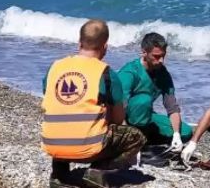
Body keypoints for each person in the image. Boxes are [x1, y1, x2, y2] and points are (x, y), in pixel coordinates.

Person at [41, 19, 146, 188]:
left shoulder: (55, 68)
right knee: (136, 137)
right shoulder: (106, 73)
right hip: (88, 148)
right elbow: (118, 120)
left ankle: (59, 174)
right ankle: (97, 171)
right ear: (105, 46)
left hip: (52, 144)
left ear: (79, 42)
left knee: (65, 118)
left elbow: (52, 101)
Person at [117, 32, 193, 151]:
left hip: (146, 117)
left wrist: (176, 135)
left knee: (185, 131)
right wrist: (125, 136)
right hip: (124, 119)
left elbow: (172, 107)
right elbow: (118, 107)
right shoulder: (129, 73)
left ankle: (145, 139)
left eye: (163, 56)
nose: (161, 60)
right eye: (156, 56)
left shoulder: (163, 73)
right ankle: (134, 141)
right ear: (144, 52)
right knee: (144, 100)